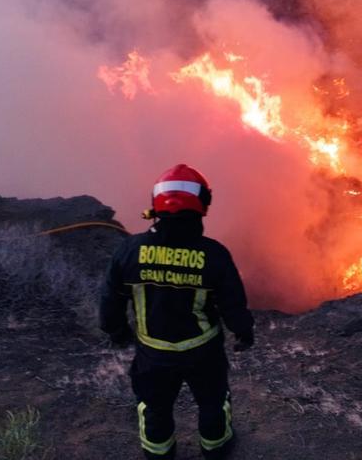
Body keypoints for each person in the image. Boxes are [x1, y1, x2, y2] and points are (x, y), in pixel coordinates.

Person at [101, 164, 254, 460]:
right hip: (203, 351)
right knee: (213, 402)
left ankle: (159, 454)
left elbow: (111, 299)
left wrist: (116, 331)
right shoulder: (214, 254)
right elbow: (233, 302)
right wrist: (243, 331)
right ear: (202, 205)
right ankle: (216, 448)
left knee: (154, 406)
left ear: (155, 205)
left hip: (153, 353)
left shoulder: (130, 250)